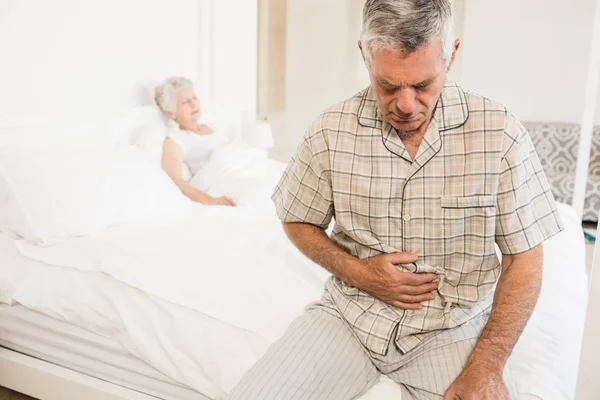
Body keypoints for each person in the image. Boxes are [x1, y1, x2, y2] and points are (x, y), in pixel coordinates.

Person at [227, 0, 563, 399]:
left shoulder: (500, 133)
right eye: (388, 85)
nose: (405, 105)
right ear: (364, 55)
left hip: (450, 328)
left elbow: (525, 257)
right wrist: (359, 273)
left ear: (451, 53)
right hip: (349, 316)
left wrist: (488, 365)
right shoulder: (330, 131)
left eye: (422, 85)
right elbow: (297, 219)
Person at [154, 77, 236, 206]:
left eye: (194, 98)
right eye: (185, 102)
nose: (194, 105)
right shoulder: (177, 139)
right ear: (171, 112)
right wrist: (210, 200)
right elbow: (173, 179)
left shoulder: (211, 127)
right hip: (227, 183)